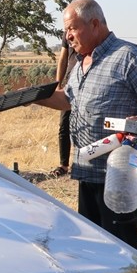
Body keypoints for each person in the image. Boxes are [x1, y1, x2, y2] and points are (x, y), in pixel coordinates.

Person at [36, 0, 137, 273]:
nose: (68, 37)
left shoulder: (127, 56)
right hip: (88, 170)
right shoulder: (81, 62)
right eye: (66, 31)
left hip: (119, 173)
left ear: (94, 24)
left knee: (124, 239)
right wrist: (31, 98)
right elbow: (66, 101)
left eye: (72, 29)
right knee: (96, 245)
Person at [50, 43, 80, 177]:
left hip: (87, 80)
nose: (70, 33)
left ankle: (84, 161)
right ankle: (63, 165)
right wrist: (58, 84)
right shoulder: (67, 33)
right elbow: (63, 58)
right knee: (64, 125)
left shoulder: (90, 28)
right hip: (70, 83)